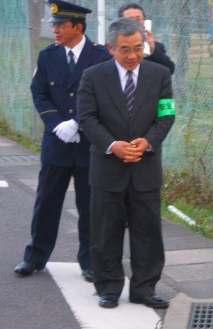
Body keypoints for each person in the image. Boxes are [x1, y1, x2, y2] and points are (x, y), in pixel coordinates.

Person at [77, 17, 175, 309]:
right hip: (108, 168)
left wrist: (148, 142)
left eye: (137, 48)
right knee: (106, 230)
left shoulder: (159, 75)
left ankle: (144, 288)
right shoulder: (93, 76)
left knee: (148, 232)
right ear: (111, 48)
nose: (132, 56)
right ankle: (108, 287)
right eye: (125, 50)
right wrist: (112, 145)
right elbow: (87, 118)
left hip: (145, 168)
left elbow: (166, 115)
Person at [14, 0, 111, 283]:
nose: (55, 30)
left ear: (77, 27)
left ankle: (90, 260)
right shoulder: (48, 56)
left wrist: (78, 121)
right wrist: (57, 124)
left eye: (60, 25)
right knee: (46, 202)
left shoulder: (100, 56)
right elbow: (39, 92)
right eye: (53, 25)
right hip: (56, 142)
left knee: (89, 205)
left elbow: (103, 96)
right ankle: (35, 256)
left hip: (88, 144)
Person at [118, 2, 175, 75]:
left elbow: (169, 70)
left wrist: (153, 49)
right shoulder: (113, 47)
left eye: (138, 19)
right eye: (130, 19)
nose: (135, 23)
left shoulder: (156, 47)